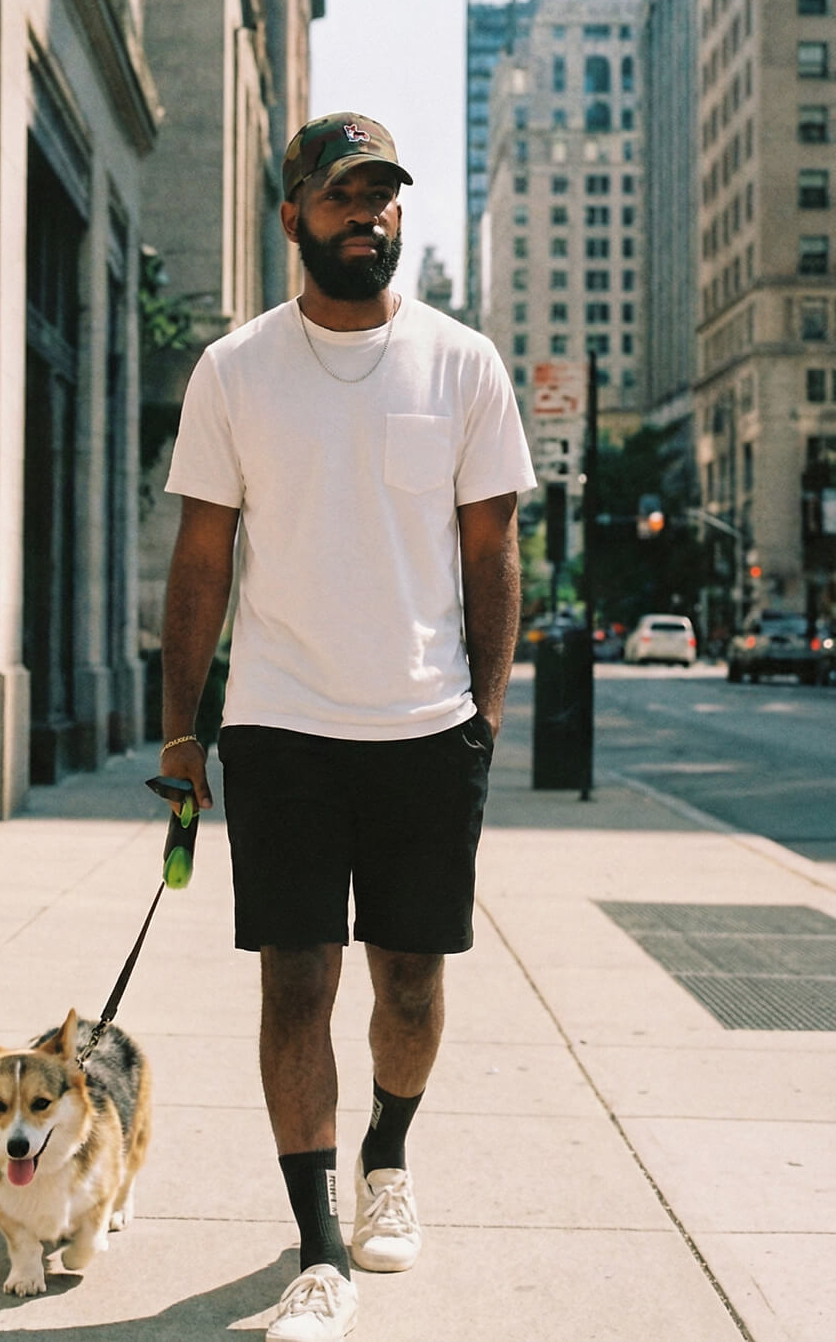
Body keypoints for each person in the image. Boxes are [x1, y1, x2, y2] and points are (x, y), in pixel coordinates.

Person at [159, 112, 536, 1341]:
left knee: (412, 985)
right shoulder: (233, 371)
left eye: (382, 196)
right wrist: (180, 734)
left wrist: (483, 713)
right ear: (292, 217)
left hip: (428, 730)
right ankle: (316, 1250)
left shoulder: (463, 364)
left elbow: (493, 553)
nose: (366, 216)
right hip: (279, 727)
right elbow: (200, 561)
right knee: (294, 986)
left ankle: (388, 1158)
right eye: (341, 197)